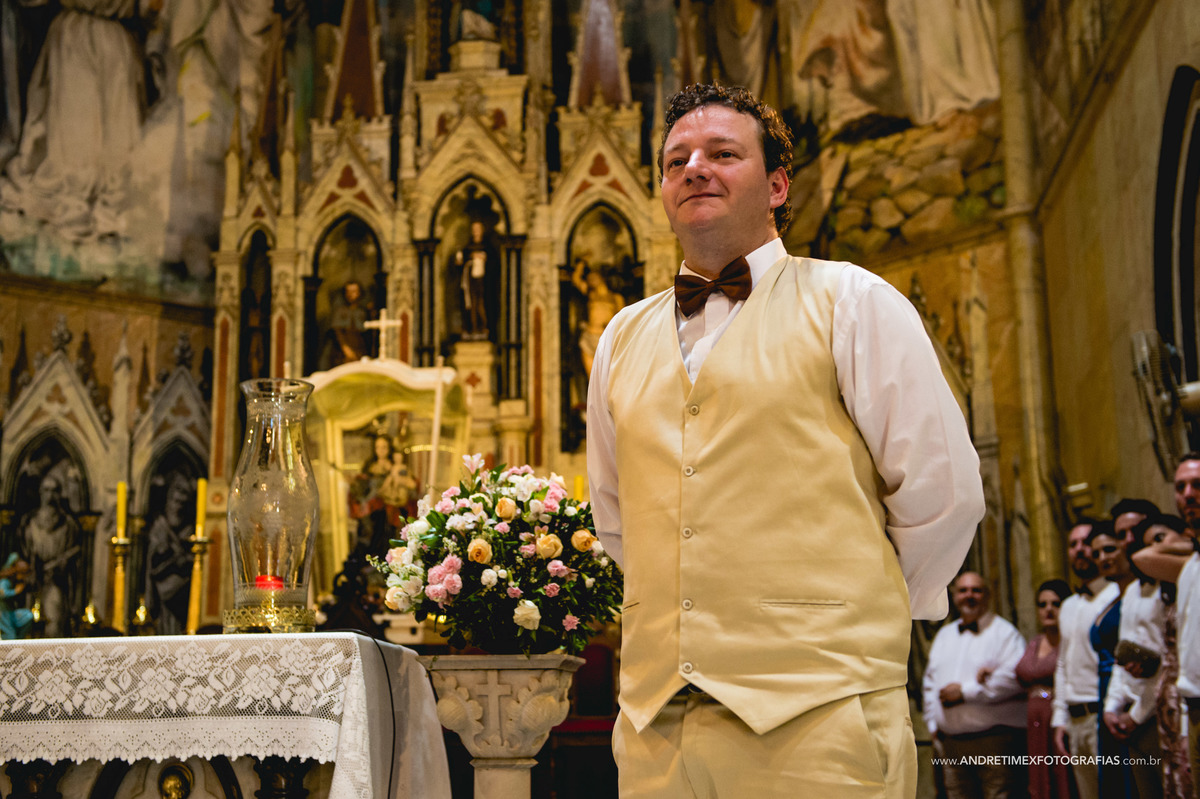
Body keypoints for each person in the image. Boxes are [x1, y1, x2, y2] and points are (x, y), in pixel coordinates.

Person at [586, 83, 984, 797]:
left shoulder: (852, 302)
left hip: (820, 716)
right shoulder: (620, 338)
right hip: (656, 733)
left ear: (776, 184)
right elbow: (618, 520)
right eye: (677, 159)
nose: (694, 168)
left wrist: (856, 618)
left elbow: (941, 491)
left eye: (722, 153)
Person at [922, 572, 1027, 798]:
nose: (969, 596)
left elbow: (1015, 678)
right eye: (963, 590)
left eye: (976, 590)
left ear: (988, 595)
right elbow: (930, 684)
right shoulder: (945, 635)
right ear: (955, 596)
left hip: (993, 742)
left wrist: (965, 693)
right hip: (950, 744)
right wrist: (933, 725)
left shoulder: (1005, 633)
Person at [1053, 519, 1120, 799]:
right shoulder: (1068, 605)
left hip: (1104, 713)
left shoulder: (1116, 596)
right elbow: (1062, 664)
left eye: (1085, 544)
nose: (1079, 550)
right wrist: (1060, 718)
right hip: (1075, 717)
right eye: (1072, 545)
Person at [1105, 515, 1168, 799]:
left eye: (1135, 533)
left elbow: (1170, 660)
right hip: (1132, 715)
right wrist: (1112, 707)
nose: (1129, 541)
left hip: (1159, 710)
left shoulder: (1167, 587)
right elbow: (1123, 651)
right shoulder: (1131, 590)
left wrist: (1137, 715)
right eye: (1122, 534)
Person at [1087, 520, 1137, 798]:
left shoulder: (1143, 594)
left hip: (1132, 696)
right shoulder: (1108, 601)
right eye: (1097, 553)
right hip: (1106, 694)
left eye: (1109, 549)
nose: (1103, 558)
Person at [1016, 578, 1074, 799]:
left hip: (1059, 717)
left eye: (1055, 603)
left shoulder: (1069, 642)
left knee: (1063, 777)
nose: (1048, 609)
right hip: (1034, 722)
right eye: (1042, 604)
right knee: (1040, 780)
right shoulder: (1034, 642)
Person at [17, 473, 82, 637]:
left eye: (54, 491)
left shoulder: (68, 525)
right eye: (46, 490)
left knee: (53, 627)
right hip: (33, 584)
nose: (50, 495)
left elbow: (75, 566)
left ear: (60, 494)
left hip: (56, 584)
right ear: (40, 492)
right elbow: (24, 555)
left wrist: (62, 565)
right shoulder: (29, 522)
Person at [144, 472, 196, 634]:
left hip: (181, 597)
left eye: (182, 503)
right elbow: (155, 560)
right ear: (168, 500)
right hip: (163, 595)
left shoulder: (189, 531)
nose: (178, 506)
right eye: (175, 501)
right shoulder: (159, 527)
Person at [0, 553, 34, 639]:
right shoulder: (5, 582)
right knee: (10, 636)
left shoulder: (13, 582)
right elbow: (2, 594)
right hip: (4, 614)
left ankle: (19, 639)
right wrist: (15, 591)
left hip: (10, 613)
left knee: (28, 616)